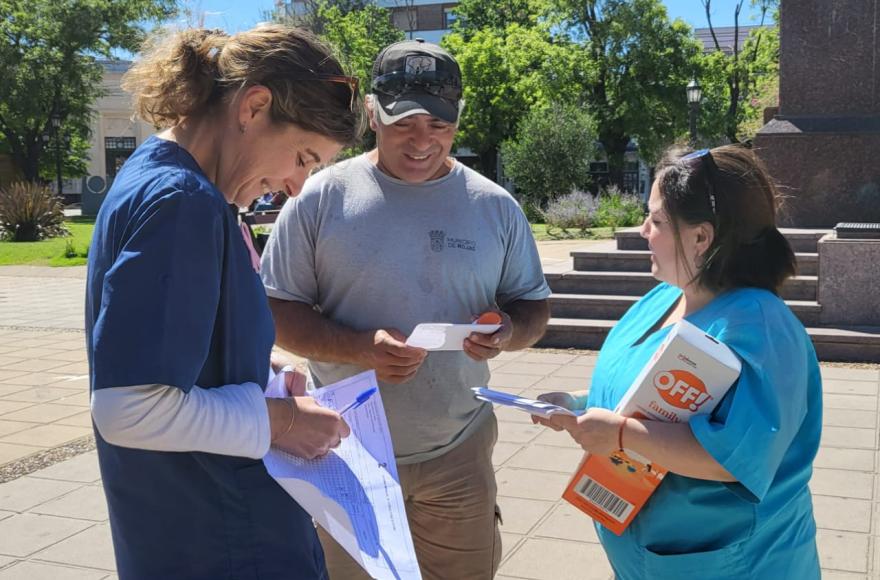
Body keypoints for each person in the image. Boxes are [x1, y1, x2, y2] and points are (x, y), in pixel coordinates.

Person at [260, 39, 551, 579]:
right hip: (346, 452)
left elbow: (532, 306)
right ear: (372, 113)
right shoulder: (319, 198)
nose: (423, 141)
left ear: (458, 120)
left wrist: (508, 330)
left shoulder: (494, 207)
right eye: (404, 124)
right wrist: (358, 350)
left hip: (457, 452)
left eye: (439, 125)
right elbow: (277, 309)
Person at [85, 25, 362, 579]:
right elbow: (129, 409)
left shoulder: (171, 182)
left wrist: (255, 359)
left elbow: (169, 339)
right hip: (219, 541)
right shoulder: (183, 203)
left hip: (188, 532)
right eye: (303, 157)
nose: (297, 186)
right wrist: (283, 422)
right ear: (254, 106)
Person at [533, 146, 822, 579]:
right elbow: (652, 390)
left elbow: (735, 455)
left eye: (657, 220)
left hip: (736, 564)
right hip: (652, 558)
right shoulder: (667, 297)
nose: (643, 228)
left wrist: (621, 435)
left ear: (701, 237)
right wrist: (577, 403)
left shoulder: (763, 329)